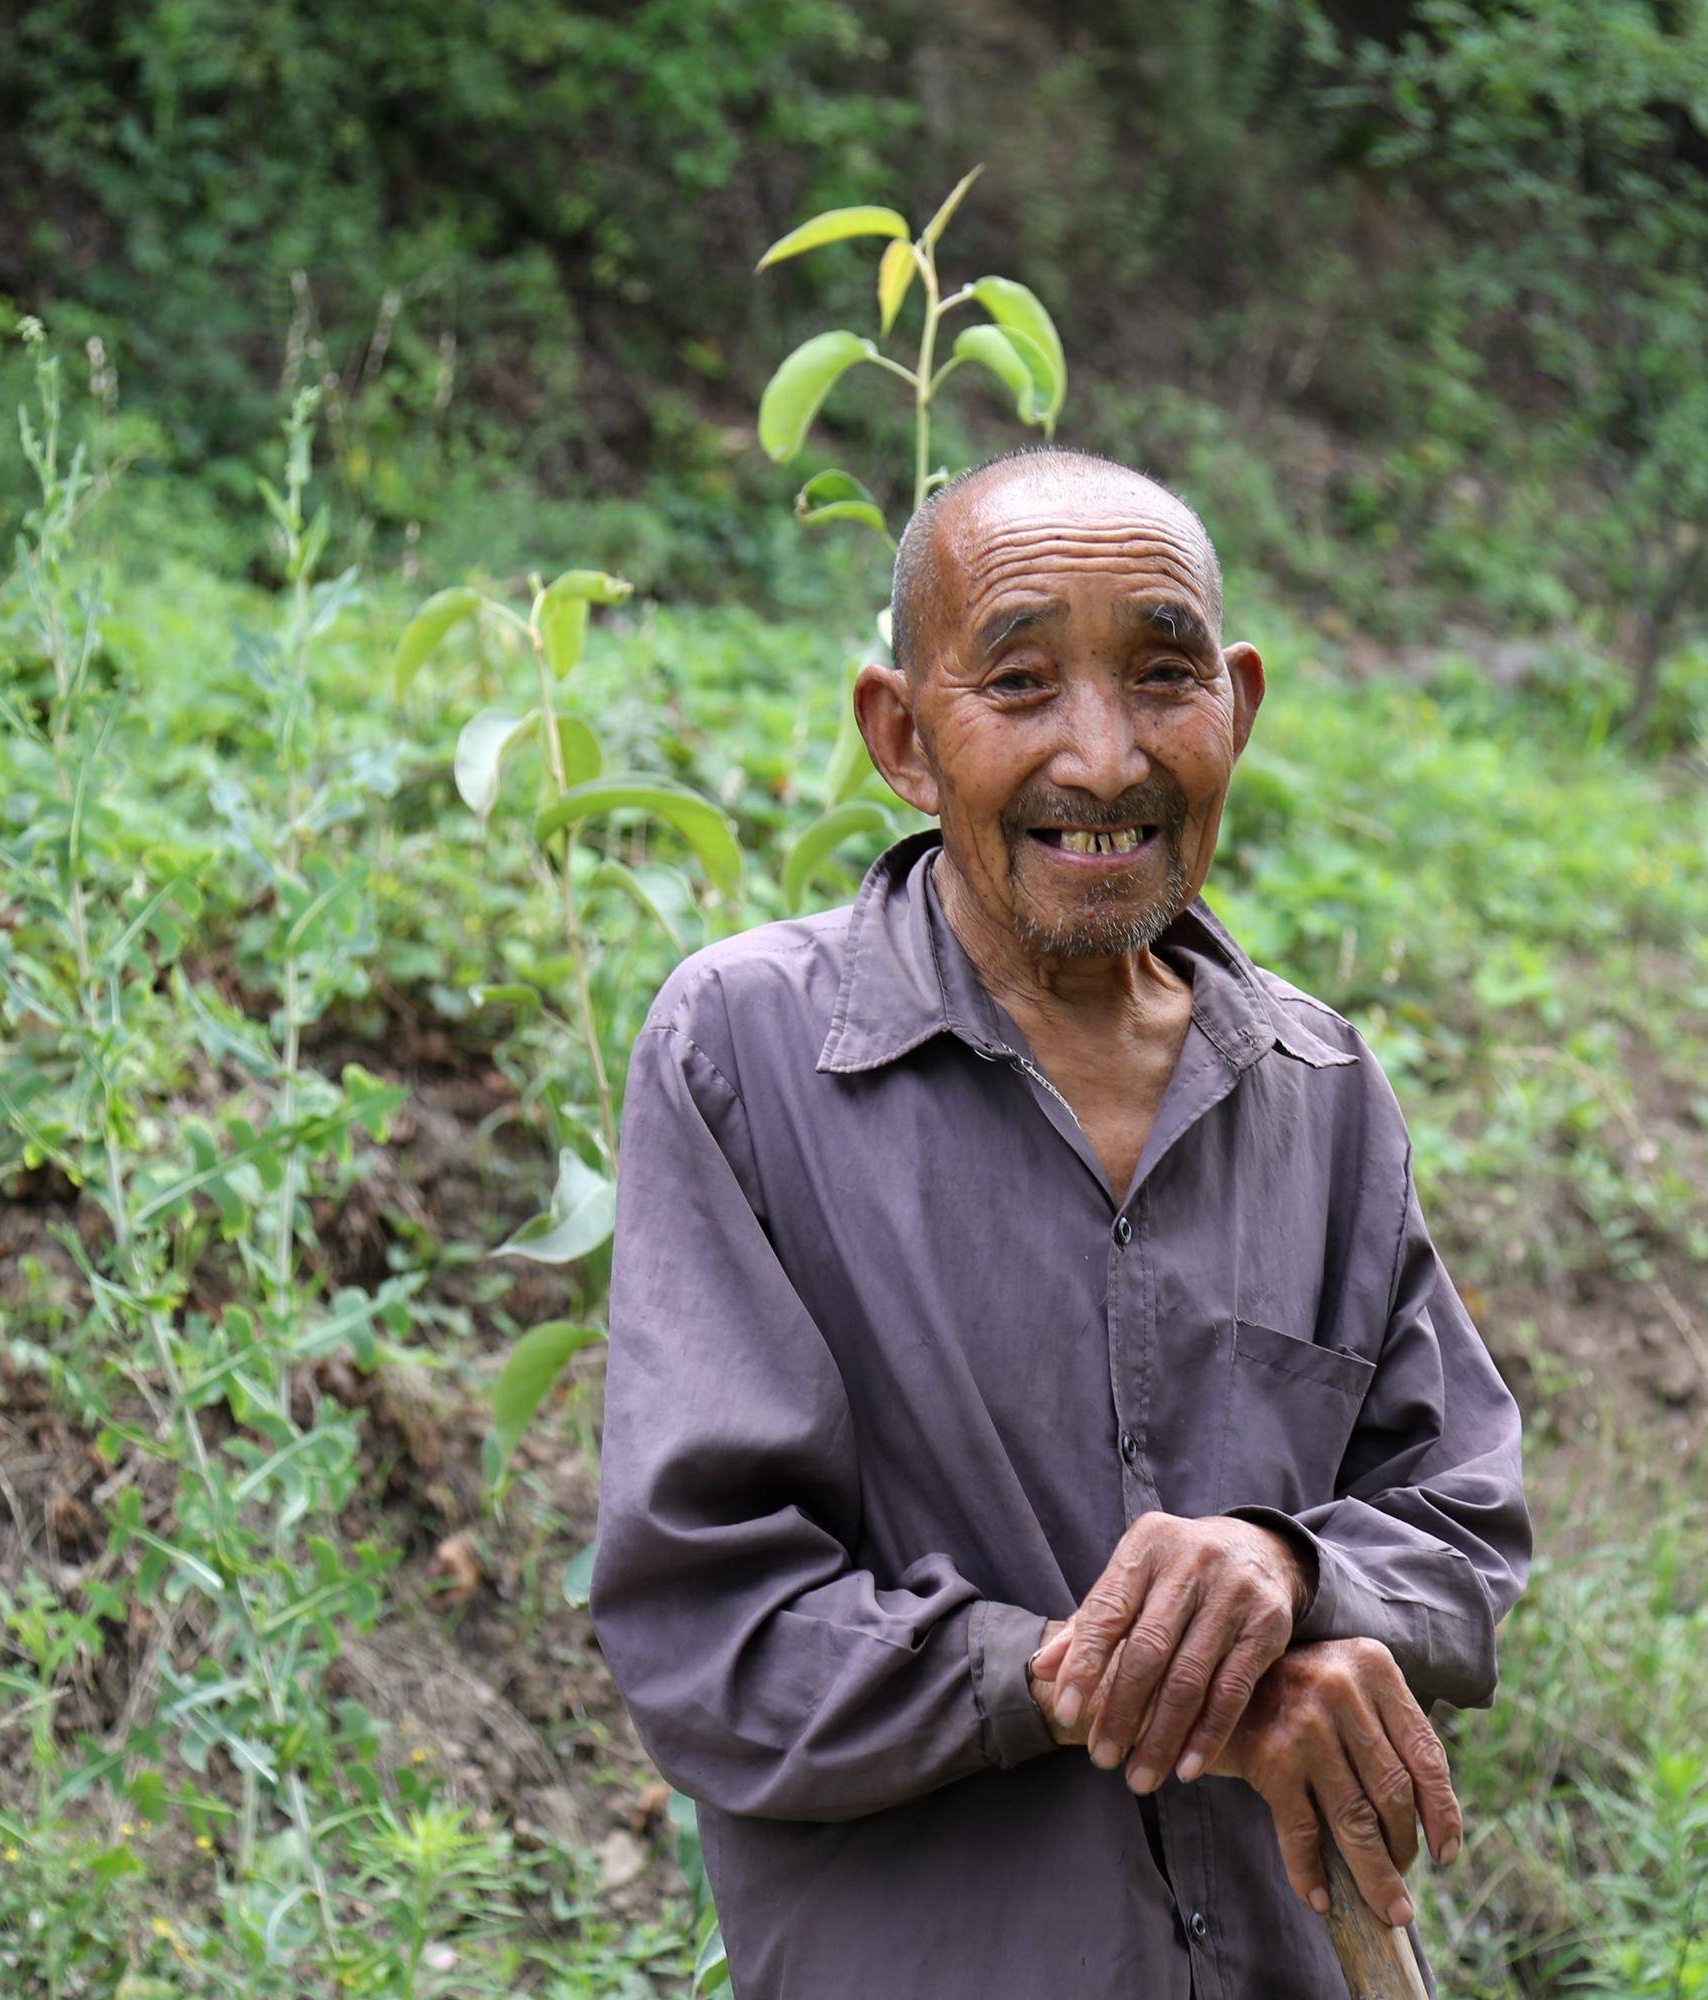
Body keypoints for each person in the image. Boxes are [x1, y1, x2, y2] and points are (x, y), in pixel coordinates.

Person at [592, 446, 1531, 1998]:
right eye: (1019, 683)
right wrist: (1119, 1681)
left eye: (1163, 676)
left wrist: (1285, 1571)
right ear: (901, 734)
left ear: (1236, 705)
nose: (1102, 758)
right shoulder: (744, 1053)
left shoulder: (1318, 1086)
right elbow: (719, 1640)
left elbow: (1462, 1527)